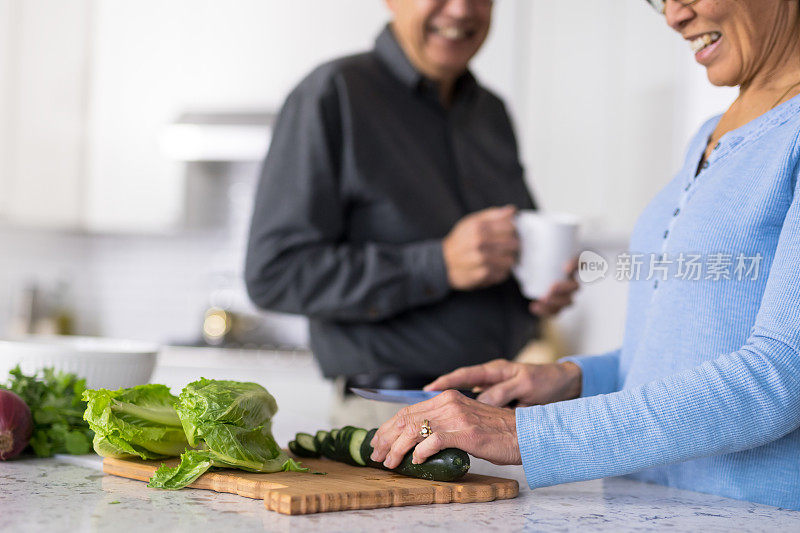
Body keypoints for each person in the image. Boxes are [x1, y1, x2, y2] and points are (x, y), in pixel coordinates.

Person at [370, 0, 800, 510]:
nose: (673, 16)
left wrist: (523, 433)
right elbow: (677, 353)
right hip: (650, 509)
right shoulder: (709, 133)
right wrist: (572, 378)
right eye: (658, 0)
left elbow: (781, 375)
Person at [245, 0, 578, 427]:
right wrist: (438, 264)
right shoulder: (333, 93)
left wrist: (540, 286)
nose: (461, 10)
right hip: (392, 413)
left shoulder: (491, 112)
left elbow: (504, 254)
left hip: (496, 411)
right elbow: (274, 274)